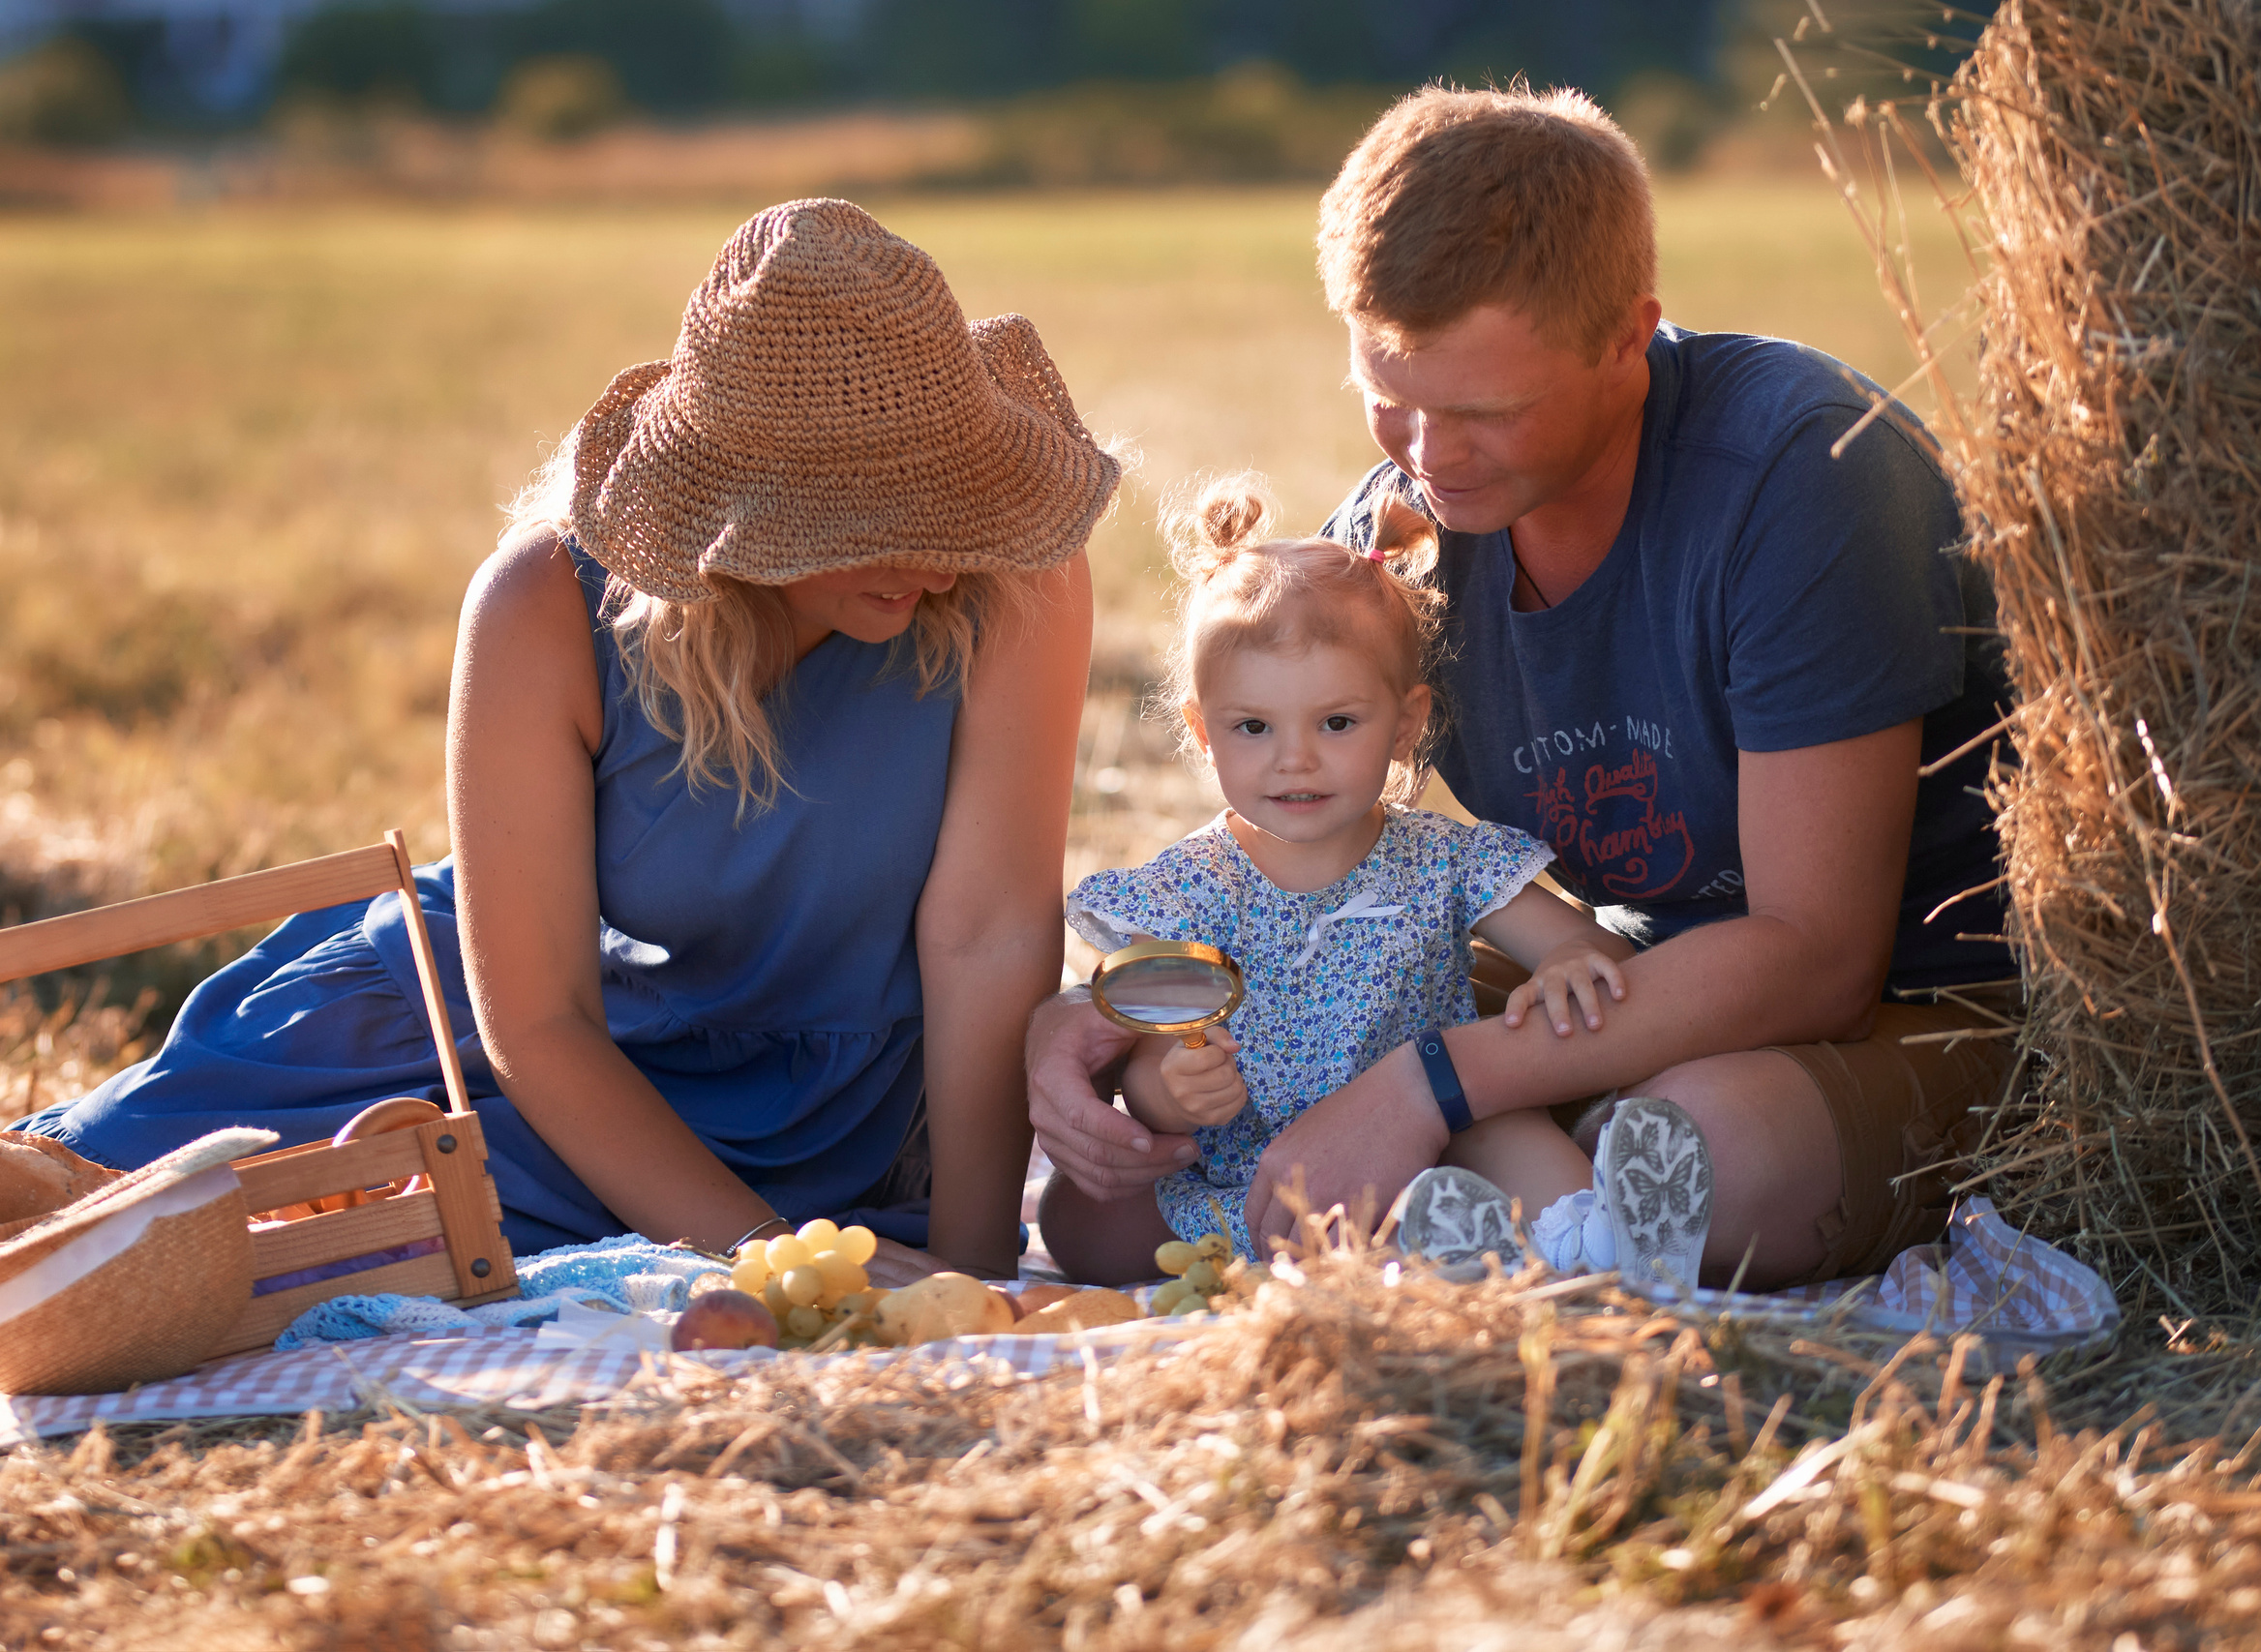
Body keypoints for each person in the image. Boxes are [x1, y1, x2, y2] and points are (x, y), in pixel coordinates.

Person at [15, 199, 1118, 1283]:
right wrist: (765, 1266)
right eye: (878, 513)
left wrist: (979, 1270)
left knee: (374, 1244)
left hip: (805, 1110)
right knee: (82, 1214)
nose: (938, 547)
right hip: (497, 1041)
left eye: (951, 496)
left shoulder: (1011, 565)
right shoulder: (542, 604)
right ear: (747, 511)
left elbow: (985, 930)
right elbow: (537, 1022)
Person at [1032, 86, 2013, 1293]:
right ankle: (1516, 1202)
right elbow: (1299, 837)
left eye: (1483, 410)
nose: (1429, 456)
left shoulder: (1802, 477)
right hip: (1621, 970)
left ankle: (1523, 1193)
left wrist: (1427, 1084)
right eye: (1390, 395)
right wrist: (1095, 1025)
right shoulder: (1406, 533)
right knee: (1310, 1057)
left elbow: (1819, 957)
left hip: (1917, 997)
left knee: (1709, 1164)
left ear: (1627, 335)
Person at [1062, 477, 1701, 1277]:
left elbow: (1577, 944)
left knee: (1503, 1130)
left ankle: (1600, 1237)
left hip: (1431, 1148)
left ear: (1405, 723)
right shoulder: (1186, 891)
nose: (1295, 757)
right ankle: (1457, 1251)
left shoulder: (1442, 858)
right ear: (1202, 729)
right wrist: (1174, 1087)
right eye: (1253, 727)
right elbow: (1145, 1064)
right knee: (1079, 1218)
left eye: (1337, 722)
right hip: (1262, 1177)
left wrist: (1570, 964)